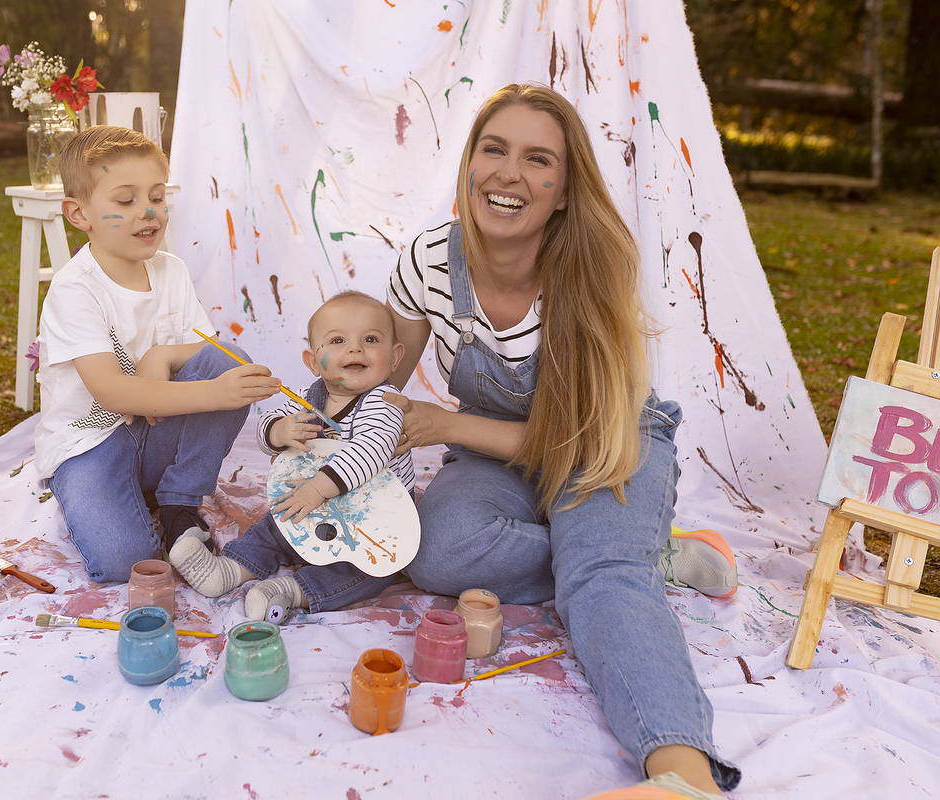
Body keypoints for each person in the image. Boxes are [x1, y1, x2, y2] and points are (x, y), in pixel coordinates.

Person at [383, 84, 740, 800]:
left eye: (537, 159)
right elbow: (380, 387)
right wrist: (320, 424)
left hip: (603, 443)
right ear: (470, 162)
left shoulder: (593, 267)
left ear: (565, 190)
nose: (509, 173)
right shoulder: (426, 259)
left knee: (603, 578)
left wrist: (446, 425)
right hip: (496, 451)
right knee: (436, 547)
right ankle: (644, 551)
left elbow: (580, 440)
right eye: (495, 149)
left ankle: (683, 777)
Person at [33, 125, 280, 584]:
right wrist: (215, 395)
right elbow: (111, 392)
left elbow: (209, 352)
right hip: (89, 445)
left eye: (157, 197)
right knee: (124, 563)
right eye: (125, 201)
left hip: (151, 432)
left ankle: (177, 506)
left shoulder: (170, 271)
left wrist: (164, 354)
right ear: (78, 213)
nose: (148, 212)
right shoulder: (74, 289)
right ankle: (111, 497)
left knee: (230, 361)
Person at [170, 291, 413, 623]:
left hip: (374, 516)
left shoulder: (384, 402)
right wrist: (280, 432)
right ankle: (227, 570)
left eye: (370, 339)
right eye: (338, 340)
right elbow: (264, 429)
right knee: (275, 526)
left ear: (395, 356)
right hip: (312, 502)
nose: (355, 348)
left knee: (374, 565)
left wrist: (316, 490)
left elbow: (371, 450)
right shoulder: (308, 398)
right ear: (313, 361)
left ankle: (294, 590)